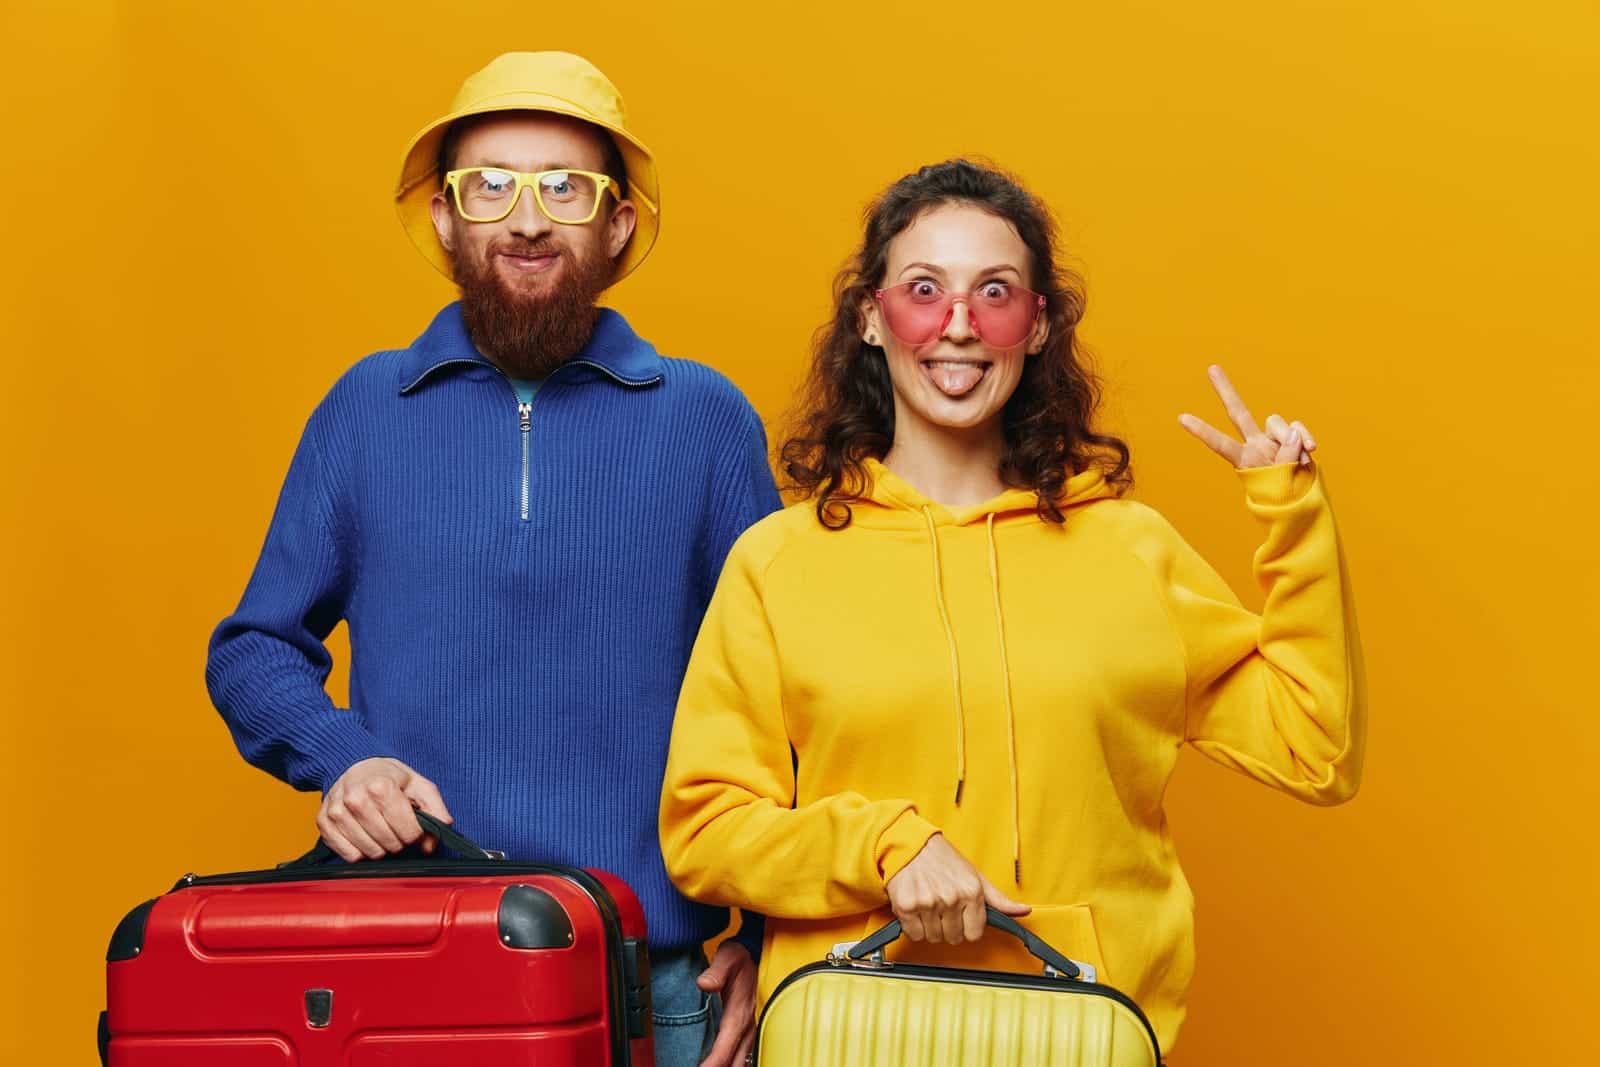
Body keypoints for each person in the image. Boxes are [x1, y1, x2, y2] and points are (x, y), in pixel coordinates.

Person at [658, 158, 1366, 1056]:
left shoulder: (1131, 550)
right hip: (854, 1033)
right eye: (924, 290)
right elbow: (706, 830)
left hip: (1080, 1035)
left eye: (995, 292)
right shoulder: (778, 561)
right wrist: (883, 845)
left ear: (1036, 327)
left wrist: (1293, 514)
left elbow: (1317, 749)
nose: (958, 324)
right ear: (871, 318)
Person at [206, 51, 777, 1067]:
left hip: (654, 984)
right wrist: (344, 759)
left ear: (619, 224)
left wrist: (768, 941)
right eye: (489, 185)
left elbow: (788, 696)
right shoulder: (365, 409)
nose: (525, 218)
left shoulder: (705, 418)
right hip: (413, 959)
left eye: (565, 186)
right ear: (442, 218)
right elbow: (252, 646)